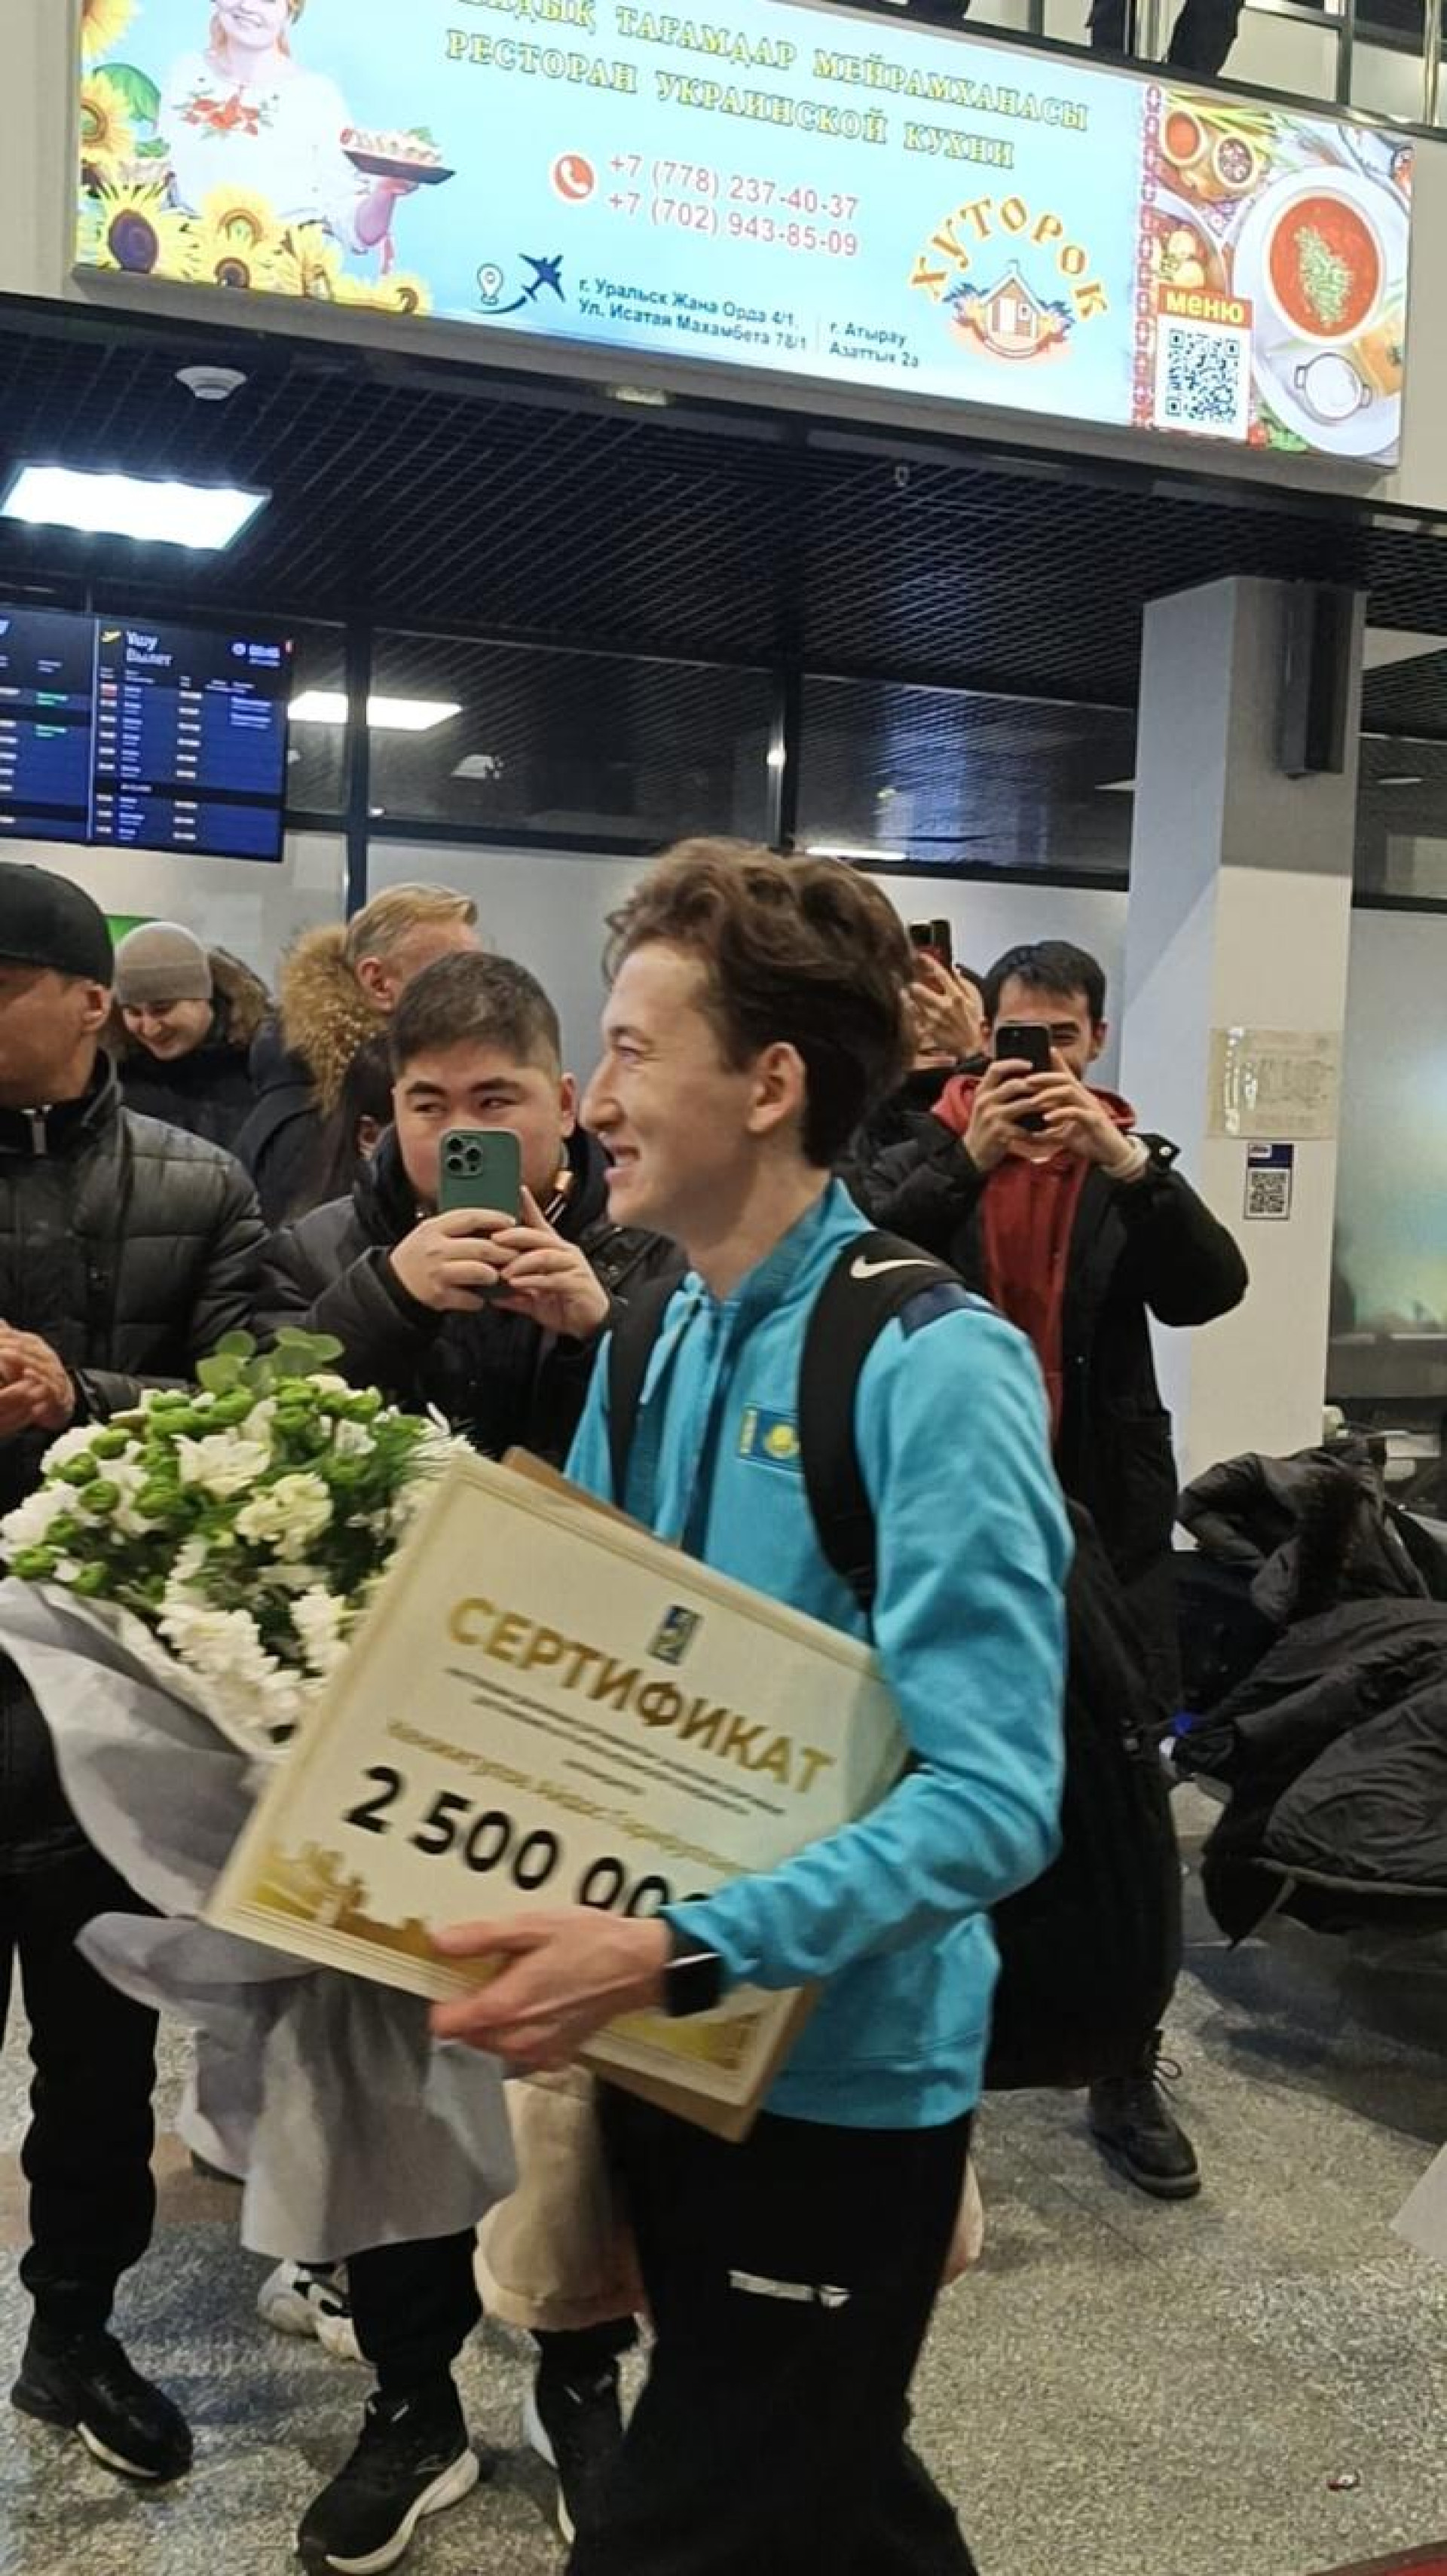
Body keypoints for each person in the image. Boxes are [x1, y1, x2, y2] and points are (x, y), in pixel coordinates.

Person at [429, 840, 1071, 2576]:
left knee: (694, 2515)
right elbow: (588, 1672)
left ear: (771, 1083)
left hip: (838, 2079)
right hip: (668, 2040)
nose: (590, 1099)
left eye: (634, 1050)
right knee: (828, 2479)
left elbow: (994, 1796)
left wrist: (678, 1947)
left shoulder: (930, 1367)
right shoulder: (653, 1335)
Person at [254, 948, 679, 2566]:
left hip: (585, 1729)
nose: (457, 1133)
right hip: (376, 1728)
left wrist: (604, 1329)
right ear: (389, 1116)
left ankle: (581, 2379)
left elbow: (699, 1489)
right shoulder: (322, 1248)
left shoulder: (652, 1257)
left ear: (564, 1102)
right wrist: (384, 1299)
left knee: (582, 2072)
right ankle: (412, 2403)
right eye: (427, 1103)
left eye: (494, 1098)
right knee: (388, 2073)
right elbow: (255, 1439)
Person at [853, 937, 1248, 2201]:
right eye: (1015, 1037)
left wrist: (1124, 1161)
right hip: (942, 1516)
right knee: (929, 1780)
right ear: (981, 1037)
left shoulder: (1125, 1161)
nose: (1038, 1063)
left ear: (1095, 1042)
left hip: (1104, 1522)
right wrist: (967, 1154)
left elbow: (1212, 1290)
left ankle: (1124, 2062)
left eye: (1061, 1039)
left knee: (1124, 1797)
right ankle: (936, 2061)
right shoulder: (917, 1143)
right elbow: (849, 1270)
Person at [0, 867, 263, 2485]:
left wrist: (77, 1393)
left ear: (87, 1001)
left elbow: (258, 1408)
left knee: (96, 2059)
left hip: (106, 1700)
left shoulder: (201, 1181)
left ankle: (76, 2326)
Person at [237, 883, 481, 1225]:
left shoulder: (348, 1086)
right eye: (452, 974)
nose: (475, 993)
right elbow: (315, 1253)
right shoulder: (314, 1117)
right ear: (378, 983)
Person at [161, 1, 415, 256]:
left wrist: (387, 190)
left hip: (277, 274)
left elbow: (356, 228)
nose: (247, 5)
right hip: (178, 266)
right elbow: (160, 180)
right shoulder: (186, 71)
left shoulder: (315, 96)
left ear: (291, 10)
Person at [111, 921, 270, 1152]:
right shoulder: (113, 1083)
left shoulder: (266, 1067)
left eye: (162, 1009)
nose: (149, 1028)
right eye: (134, 1013)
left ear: (204, 997)